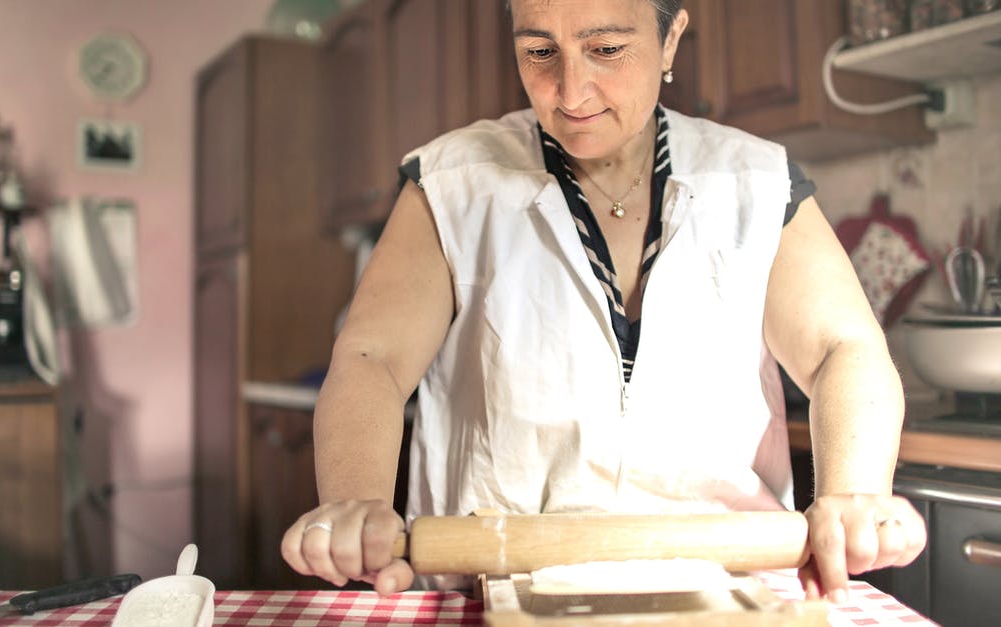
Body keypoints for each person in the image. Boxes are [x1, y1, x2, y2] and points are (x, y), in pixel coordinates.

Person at [281, 0, 926, 603]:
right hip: (495, 584)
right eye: (539, 52)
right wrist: (353, 499)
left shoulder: (754, 182)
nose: (570, 89)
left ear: (670, 38)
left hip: (726, 590)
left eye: (607, 48)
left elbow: (844, 347)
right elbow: (372, 355)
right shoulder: (454, 184)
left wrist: (854, 491)